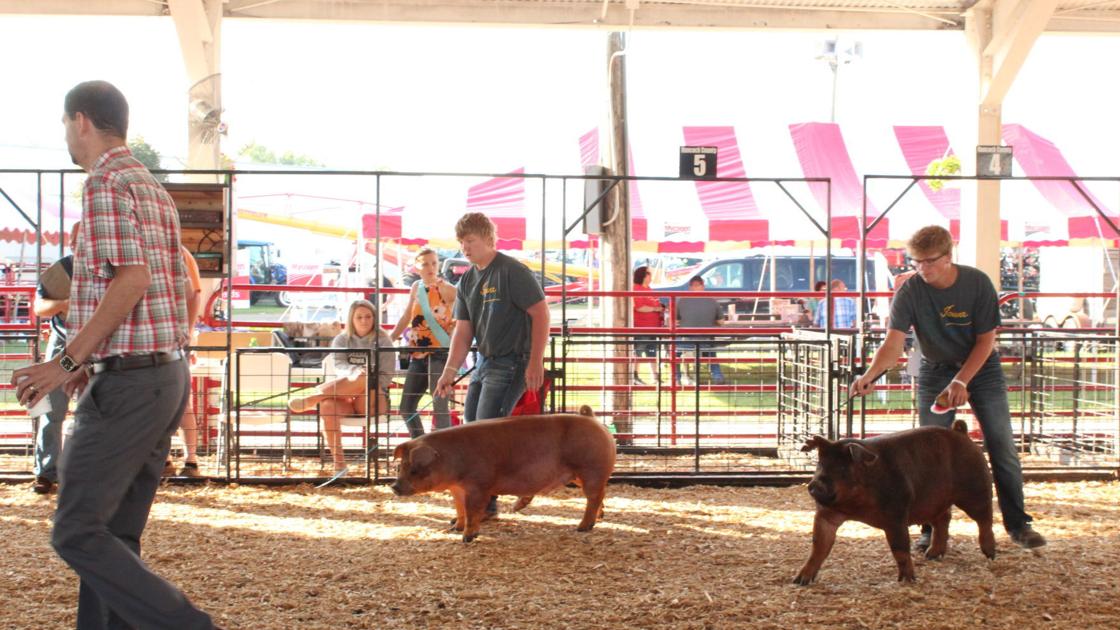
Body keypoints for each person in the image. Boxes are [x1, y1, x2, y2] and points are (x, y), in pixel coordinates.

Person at [13, 81, 216, 629]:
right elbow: (165, 286)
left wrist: (66, 361)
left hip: (129, 384)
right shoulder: (149, 185)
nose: (65, 135)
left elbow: (131, 279)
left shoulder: (104, 182)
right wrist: (90, 359)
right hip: (163, 375)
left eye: (64, 124)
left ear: (80, 120)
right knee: (115, 537)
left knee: (76, 531)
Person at [850, 225, 1046, 550]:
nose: (922, 268)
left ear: (948, 257)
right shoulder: (910, 290)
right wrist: (870, 374)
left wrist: (962, 381)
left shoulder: (977, 283)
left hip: (981, 369)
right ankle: (931, 528)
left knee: (1001, 445)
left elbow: (985, 341)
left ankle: (1018, 525)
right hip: (934, 368)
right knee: (928, 454)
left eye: (929, 261)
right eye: (916, 262)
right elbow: (893, 343)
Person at [434, 212, 549, 518]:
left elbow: (541, 313)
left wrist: (535, 361)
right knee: (473, 427)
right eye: (461, 242)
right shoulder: (468, 279)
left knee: (485, 431)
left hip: (512, 360)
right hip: (485, 360)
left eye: (470, 240)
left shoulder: (512, 271)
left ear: (488, 238)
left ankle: (486, 503)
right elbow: (463, 329)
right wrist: (450, 371)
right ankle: (498, 496)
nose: (465, 248)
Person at [288, 299, 395, 472]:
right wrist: (354, 371)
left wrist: (365, 380)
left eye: (368, 316)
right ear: (351, 319)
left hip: (373, 399)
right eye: (359, 317)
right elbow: (339, 366)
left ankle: (315, 397)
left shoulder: (383, 340)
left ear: (375, 318)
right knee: (328, 406)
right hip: (347, 393)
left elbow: (387, 376)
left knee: (365, 376)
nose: (364, 320)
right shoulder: (341, 340)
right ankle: (339, 464)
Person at [29, 221, 80, 495]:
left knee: (94, 410)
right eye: (76, 239)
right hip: (63, 343)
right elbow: (39, 307)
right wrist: (63, 304)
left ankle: (86, 471)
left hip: (97, 344)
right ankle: (47, 472)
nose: (80, 244)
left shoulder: (108, 270)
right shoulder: (60, 270)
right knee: (51, 408)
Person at [390, 248, 456, 438]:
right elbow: (406, 316)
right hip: (418, 353)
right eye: (425, 264)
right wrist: (389, 338)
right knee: (406, 406)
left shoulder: (447, 288)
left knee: (440, 407)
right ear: (417, 267)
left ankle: (443, 450)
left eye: (434, 263)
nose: (430, 267)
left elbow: (464, 312)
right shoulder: (416, 287)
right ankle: (420, 443)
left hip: (440, 353)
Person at [165, 246, 203, 477]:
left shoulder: (178, 252)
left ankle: (190, 459)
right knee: (169, 403)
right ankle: (167, 458)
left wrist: (187, 331)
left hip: (174, 338)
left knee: (181, 403)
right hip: (164, 337)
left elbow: (194, 293)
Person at [674, 275, 725, 386]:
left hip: (685, 340)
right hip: (705, 340)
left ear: (690, 287)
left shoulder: (681, 300)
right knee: (711, 351)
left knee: (674, 352)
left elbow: (675, 321)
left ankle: (676, 378)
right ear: (703, 286)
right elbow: (721, 322)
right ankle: (717, 376)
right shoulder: (712, 301)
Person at [631, 265, 664, 385]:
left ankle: (655, 376)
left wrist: (660, 308)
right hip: (641, 327)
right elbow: (639, 307)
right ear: (644, 276)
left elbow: (655, 304)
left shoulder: (649, 289)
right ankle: (634, 376)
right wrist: (656, 309)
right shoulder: (636, 289)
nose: (651, 276)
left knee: (652, 352)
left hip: (653, 327)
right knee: (638, 351)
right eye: (649, 273)